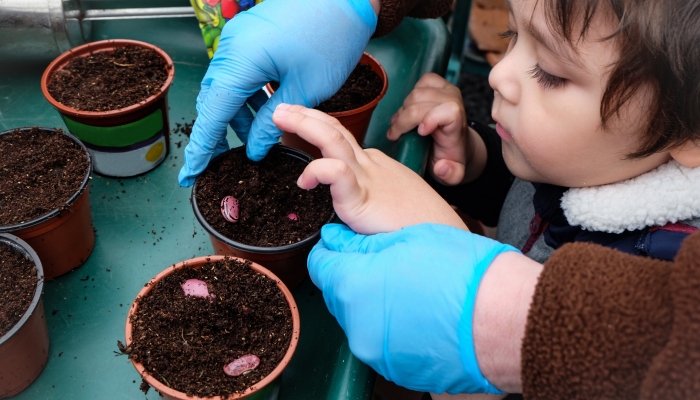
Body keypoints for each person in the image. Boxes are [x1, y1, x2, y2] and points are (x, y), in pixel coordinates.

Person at [267, 0, 700, 397]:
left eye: (550, 72)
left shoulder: (655, 266)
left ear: (688, 132)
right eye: (511, 36)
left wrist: (444, 243)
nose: (497, 75)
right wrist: (474, 159)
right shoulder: (594, 161)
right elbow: (530, 200)